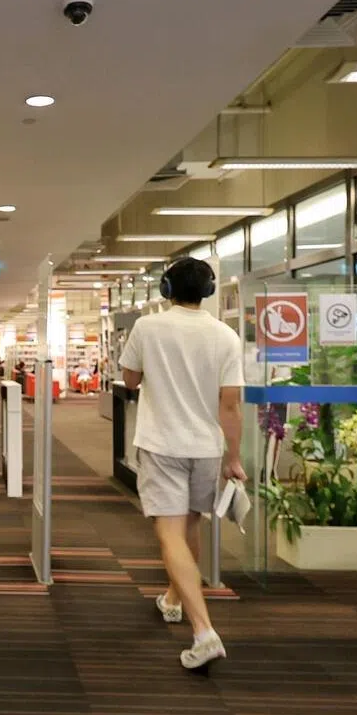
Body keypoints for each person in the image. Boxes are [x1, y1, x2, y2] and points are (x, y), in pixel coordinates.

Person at [119, 257, 245, 671]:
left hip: (162, 444)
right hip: (206, 448)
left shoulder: (148, 327)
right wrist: (235, 458)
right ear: (208, 291)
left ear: (166, 290)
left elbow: (131, 380)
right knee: (190, 526)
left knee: (169, 535)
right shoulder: (225, 336)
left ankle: (203, 631)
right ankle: (173, 598)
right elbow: (230, 405)